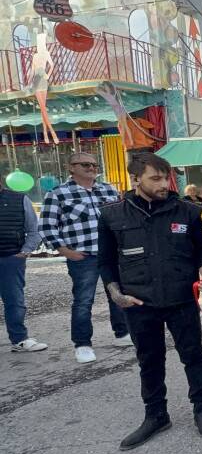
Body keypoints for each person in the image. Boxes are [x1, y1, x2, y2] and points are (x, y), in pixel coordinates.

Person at [97, 153, 202, 450]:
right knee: (149, 360)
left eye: (166, 177)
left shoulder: (187, 211)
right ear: (136, 178)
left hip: (181, 299)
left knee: (193, 355)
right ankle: (155, 415)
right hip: (139, 303)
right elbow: (105, 261)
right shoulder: (112, 214)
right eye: (156, 178)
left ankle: (201, 408)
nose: (164, 184)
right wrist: (116, 294)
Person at [39, 151, 130, 363]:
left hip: (111, 254)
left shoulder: (108, 190)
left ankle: (122, 333)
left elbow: (120, 221)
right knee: (83, 301)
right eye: (85, 165)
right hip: (83, 256)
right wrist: (65, 251)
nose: (91, 168)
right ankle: (82, 344)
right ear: (71, 168)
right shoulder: (58, 194)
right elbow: (46, 226)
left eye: (94, 165)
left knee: (118, 295)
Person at [0, 175, 47, 352]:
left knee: (14, 300)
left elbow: (33, 229)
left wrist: (26, 251)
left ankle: (19, 339)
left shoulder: (19, 199)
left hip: (11, 258)